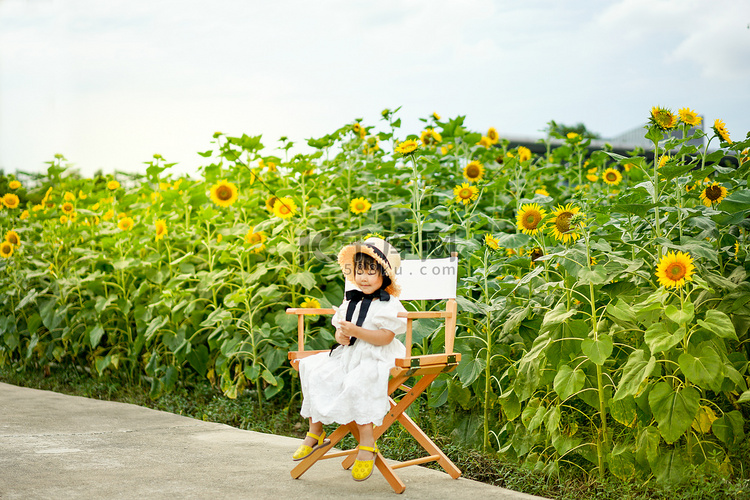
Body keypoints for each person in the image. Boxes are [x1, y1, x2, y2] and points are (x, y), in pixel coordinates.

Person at [293, 237, 407, 482]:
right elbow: (340, 332)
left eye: (370, 272)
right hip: (350, 354)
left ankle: (367, 443)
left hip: (378, 355)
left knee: (359, 381)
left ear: (384, 276)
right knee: (315, 369)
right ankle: (316, 430)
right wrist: (342, 335)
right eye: (359, 271)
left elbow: (385, 338)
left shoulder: (389, 304)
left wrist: (357, 332)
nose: (363, 277)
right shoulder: (350, 301)